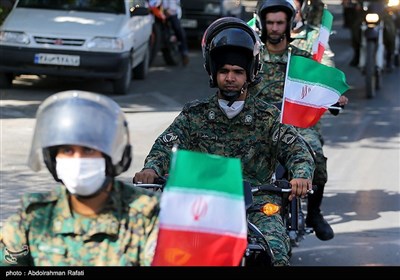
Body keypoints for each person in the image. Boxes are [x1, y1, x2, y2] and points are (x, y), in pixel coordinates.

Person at [133, 17, 315, 266]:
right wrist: (151, 169)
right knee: (164, 251)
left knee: (276, 252)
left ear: (250, 73)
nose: (230, 78)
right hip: (203, 204)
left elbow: (297, 150)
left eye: (238, 72)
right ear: (213, 72)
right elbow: (166, 145)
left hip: (257, 203)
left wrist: (301, 176)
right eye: (224, 71)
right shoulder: (194, 115)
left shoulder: (268, 117)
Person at [0, 90, 160, 266]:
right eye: (67, 151)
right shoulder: (33, 217)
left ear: (109, 157)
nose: (78, 159)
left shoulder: (146, 216)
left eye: (88, 150)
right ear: (53, 159)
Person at [252, 0, 347, 242]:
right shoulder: (252, 58)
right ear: (262, 24)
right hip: (260, 125)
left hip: (297, 127)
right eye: (270, 23)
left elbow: (322, 81)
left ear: (288, 24)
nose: (274, 28)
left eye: (279, 23)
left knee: (315, 155)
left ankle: (314, 213)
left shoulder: (302, 59)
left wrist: (335, 96)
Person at [349, 0, 396, 70]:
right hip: (366, 13)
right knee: (355, 27)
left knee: (391, 30)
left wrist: (392, 5)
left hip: (383, 13)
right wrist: (357, 4)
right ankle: (357, 54)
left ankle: (389, 57)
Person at [162, 0, 190, 66]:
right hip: (159, 14)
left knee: (179, 31)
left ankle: (184, 53)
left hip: (172, 15)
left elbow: (176, 5)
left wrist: (171, 11)